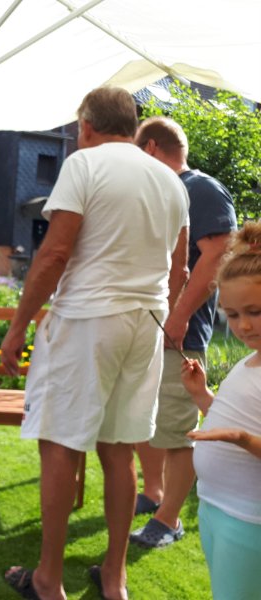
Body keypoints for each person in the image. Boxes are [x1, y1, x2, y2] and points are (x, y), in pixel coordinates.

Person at [0, 87, 189, 600]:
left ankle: (49, 580)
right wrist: (160, 318)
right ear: (132, 125)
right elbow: (178, 268)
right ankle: (114, 577)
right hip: (146, 323)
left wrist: (18, 327)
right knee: (120, 450)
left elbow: (54, 253)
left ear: (86, 125)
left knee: (61, 444)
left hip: (88, 318)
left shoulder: (84, 164)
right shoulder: (172, 183)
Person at [130, 117, 237, 548]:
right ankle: (154, 493)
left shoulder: (201, 188)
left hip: (180, 333)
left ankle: (169, 519)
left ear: (151, 148)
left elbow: (218, 253)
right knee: (145, 418)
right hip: (149, 329)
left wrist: (178, 318)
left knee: (177, 429)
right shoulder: (161, 191)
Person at [179, 221, 261, 600]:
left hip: (248, 518)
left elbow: (239, 433)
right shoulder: (249, 363)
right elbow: (230, 422)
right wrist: (202, 397)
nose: (243, 325)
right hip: (214, 505)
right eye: (232, 314)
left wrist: (241, 439)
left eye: (255, 312)